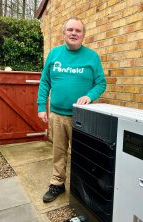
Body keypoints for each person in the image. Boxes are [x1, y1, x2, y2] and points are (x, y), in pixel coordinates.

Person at [37, 17, 107, 203]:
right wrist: (40, 106)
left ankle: (82, 188)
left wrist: (90, 96)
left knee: (83, 155)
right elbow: (45, 82)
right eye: (70, 30)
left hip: (82, 117)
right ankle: (57, 184)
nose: (74, 33)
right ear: (64, 33)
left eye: (78, 30)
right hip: (57, 115)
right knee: (59, 152)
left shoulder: (92, 57)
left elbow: (101, 83)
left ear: (83, 35)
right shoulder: (54, 54)